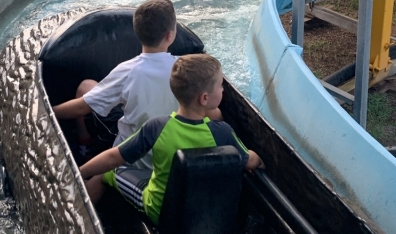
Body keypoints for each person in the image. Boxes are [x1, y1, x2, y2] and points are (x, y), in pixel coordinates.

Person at [79, 54, 262, 222]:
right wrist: (259, 160)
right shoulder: (222, 132)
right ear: (204, 98)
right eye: (220, 85)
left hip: (159, 210)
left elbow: (113, 157)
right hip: (201, 213)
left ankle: (79, 212)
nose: (223, 89)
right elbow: (250, 160)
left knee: (108, 171)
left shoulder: (156, 127)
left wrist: (79, 172)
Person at [53, 0, 192, 161]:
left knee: (86, 86)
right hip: (175, 150)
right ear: (170, 35)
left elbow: (81, 108)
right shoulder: (186, 67)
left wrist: (48, 112)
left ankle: (85, 143)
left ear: (136, 33)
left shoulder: (128, 71)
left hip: (131, 152)